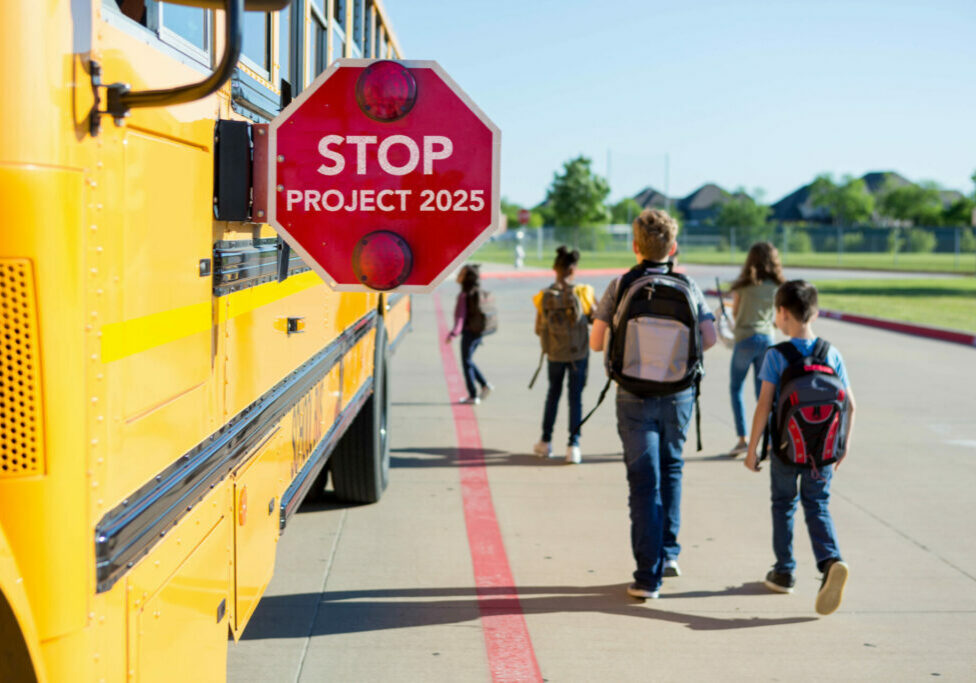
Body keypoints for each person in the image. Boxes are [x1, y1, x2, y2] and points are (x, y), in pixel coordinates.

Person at [590, 209, 717, 599]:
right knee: (672, 469)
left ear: (635, 246)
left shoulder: (620, 284)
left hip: (633, 393)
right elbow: (710, 338)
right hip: (677, 393)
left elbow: (596, 343)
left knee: (643, 483)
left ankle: (648, 576)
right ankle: (669, 551)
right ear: (673, 248)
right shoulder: (689, 286)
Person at [744, 280, 855, 615]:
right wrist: (842, 444)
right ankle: (830, 561)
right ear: (815, 313)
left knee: (783, 504)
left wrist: (752, 449)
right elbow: (850, 404)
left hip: (785, 448)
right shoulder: (830, 353)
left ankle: (784, 572)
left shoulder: (776, 355)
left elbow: (764, 405)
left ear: (781, 314)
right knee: (817, 505)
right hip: (822, 451)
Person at [532, 246, 596, 463]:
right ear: (574, 269)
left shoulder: (543, 296)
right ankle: (573, 446)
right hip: (578, 355)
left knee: (553, 395)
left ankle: (545, 441)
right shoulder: (583, 292)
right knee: (575, 398)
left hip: (555, 355)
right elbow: (594, 320)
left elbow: (538, 327)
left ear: (554, 268)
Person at [727, 242, 786, 455]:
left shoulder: (742, 286)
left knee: (735, 388)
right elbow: (778, 318)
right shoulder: (776, 287)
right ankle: (769, 442)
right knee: (764, 393)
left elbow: (735, 314)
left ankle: (742, 438)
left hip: (745, 338)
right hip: (767, 340)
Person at [445, 264, 493, 404]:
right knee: (469, 361)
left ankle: (473, 395)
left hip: (468, 333)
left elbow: (460, 317)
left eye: (460, 273)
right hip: (478, 333)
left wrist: (453, 334)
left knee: (466, 363)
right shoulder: (475, 292)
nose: (458, 275)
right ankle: (484, 385)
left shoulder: (464, 296)